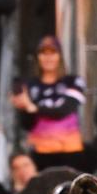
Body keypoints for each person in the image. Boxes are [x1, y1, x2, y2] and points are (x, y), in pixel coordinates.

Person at [13, 35, 90, 172]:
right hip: (40, 151)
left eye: (53, 53)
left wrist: (35, 108)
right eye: (43, 53)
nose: (48, 58)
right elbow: (26, 124)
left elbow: (64, 109)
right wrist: (23, 107)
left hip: (70, 149)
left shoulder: (73, 81)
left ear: (60, 56)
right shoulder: (30, 85)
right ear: (38, 57)